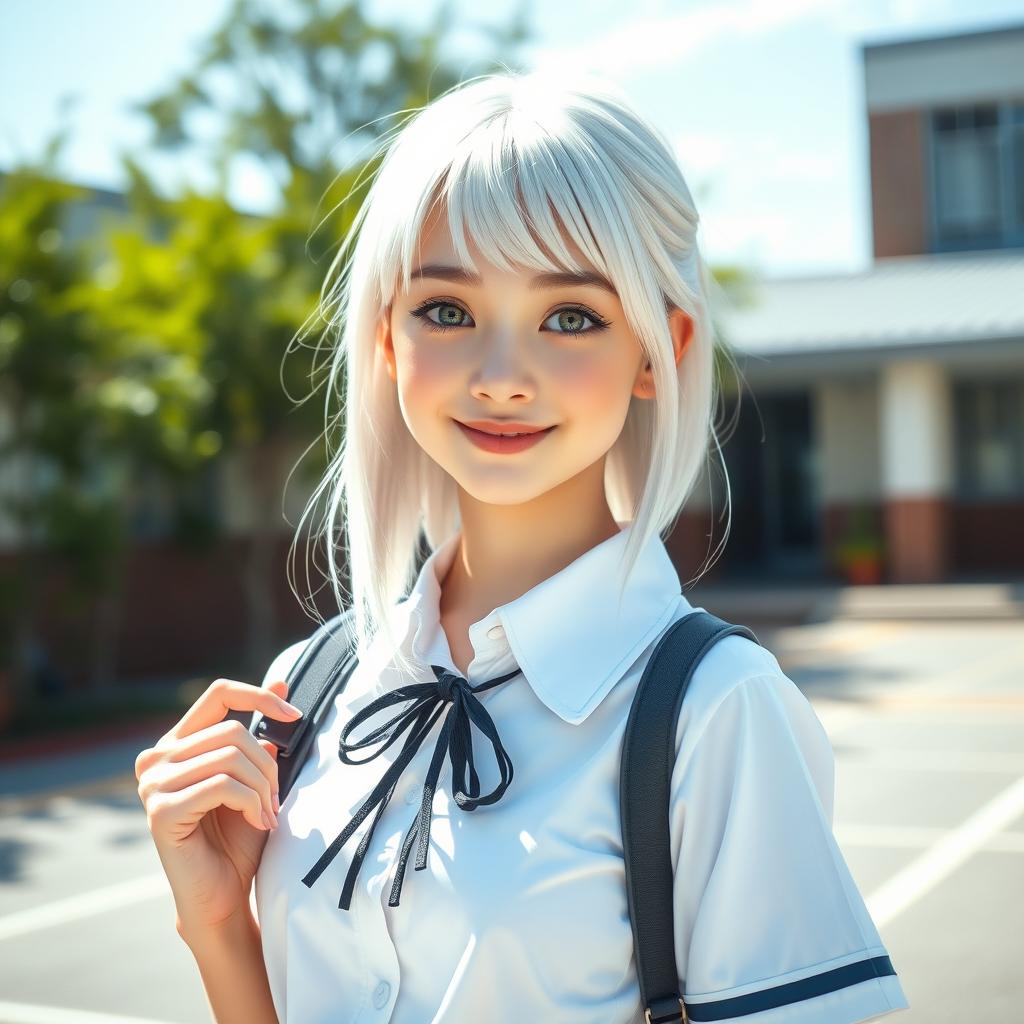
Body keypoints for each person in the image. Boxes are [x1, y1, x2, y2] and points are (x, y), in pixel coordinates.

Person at [137, 68, 911, 1024]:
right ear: (387, 337)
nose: (502, 377)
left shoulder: (715, 711)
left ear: (658, 350)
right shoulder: (314, 680)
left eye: (571, 317)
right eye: (448, 311)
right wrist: (217, 925)